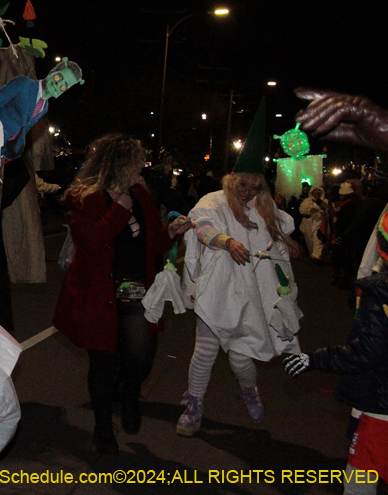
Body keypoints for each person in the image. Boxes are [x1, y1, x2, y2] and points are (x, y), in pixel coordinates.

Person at [52, 133, 192, 455]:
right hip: (98, 290)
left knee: (140, 358)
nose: (139, 170)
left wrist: (169, 233)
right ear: (116, 165)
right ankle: (103, 428)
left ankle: (130, 392)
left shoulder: (140, 194)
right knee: (103, 362)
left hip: (134, 287)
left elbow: (152, 242)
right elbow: (91, 241)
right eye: (134, 163)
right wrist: (117, 210)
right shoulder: (84, 197)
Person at [177, 100, 302, 437]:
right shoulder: (213, 201)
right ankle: (195, 405)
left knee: (241, 354)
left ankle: (248, 389)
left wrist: (287, 242)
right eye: (242, 185)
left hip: (252, 290)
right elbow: (200, 227)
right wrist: (226, 242)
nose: (247, 192)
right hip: (217, 287)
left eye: (254, 186)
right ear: (231, 180)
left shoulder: (266, 208)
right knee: (205, 348)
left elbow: (279, 234)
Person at [283, 209, 388, 495]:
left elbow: (366, 352)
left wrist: (314, 359)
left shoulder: (380, 293)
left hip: (380, 407)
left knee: (359, 483)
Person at [300, 185, 330, 263]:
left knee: (318, 239)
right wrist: (309, 210)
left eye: (318, 190)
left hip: (319, 223)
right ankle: (312, 255)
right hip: (308, 223)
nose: (317, 192)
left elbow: (327, 210)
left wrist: (318, 212)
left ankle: (316, 256)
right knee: (310, 240)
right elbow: (302, 210)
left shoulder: (325, 201)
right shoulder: (307, 201)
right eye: (315, 190)